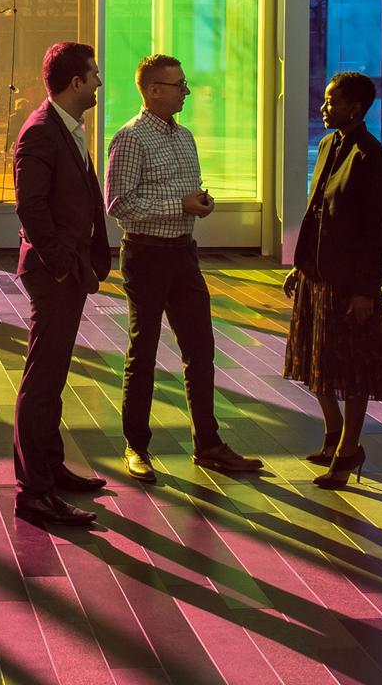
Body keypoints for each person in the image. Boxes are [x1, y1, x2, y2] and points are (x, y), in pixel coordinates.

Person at [105, 54, 267, 484]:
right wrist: (179, 205)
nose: (187, 91)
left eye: (185, 83)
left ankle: (208, 444)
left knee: (201, 350)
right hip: (145, 255)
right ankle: (136, 447)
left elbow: (182, 194)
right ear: (153, 90)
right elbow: (119, 205)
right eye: (179, 85)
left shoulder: (185, 137)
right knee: (144, 353)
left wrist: (199, 204)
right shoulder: (130, 138)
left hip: (183, 252)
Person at [10, 42, 111, 530]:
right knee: (43, 381)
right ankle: (34, 491)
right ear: (75, 83)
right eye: (93, 75)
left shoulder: (71, 127)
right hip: (54, 273)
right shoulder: (42, 133)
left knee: (52, 377)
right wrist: (61, 265)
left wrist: (95, 252)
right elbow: (31, 209)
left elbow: (85, 198)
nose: (98, 82)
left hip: (69, 268)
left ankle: (49, 469)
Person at [284, 71, 382, 491]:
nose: (323, 108)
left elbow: (373, 228)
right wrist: (299, 265)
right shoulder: (329, 145)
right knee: (315, 364)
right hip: (317, 274)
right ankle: (333, 435)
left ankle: (349, 450)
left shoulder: (370, 155)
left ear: (356, 108)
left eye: (331, 101)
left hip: (349, 283)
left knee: (351, 370)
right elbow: (316, 213)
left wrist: (366, 289)